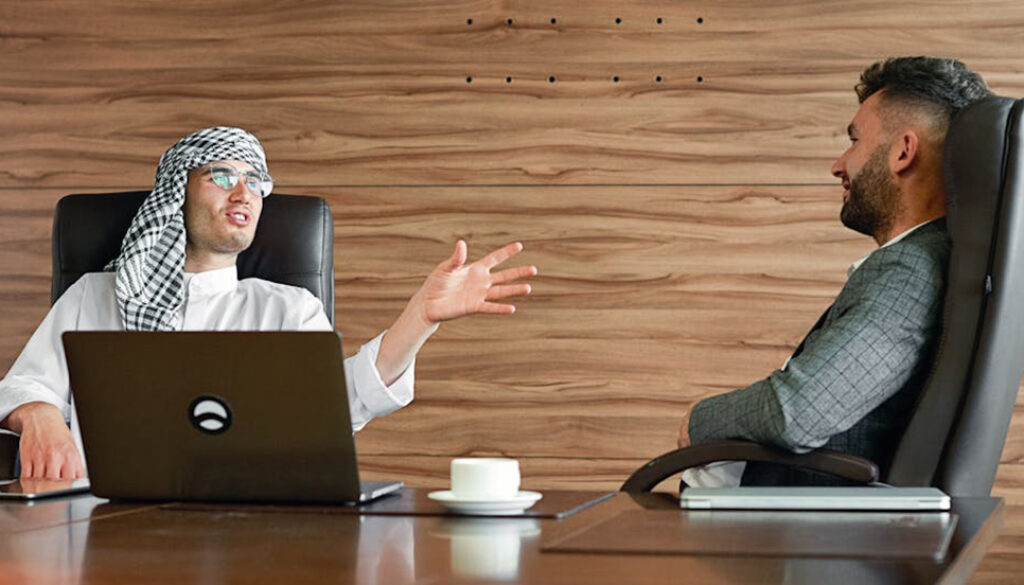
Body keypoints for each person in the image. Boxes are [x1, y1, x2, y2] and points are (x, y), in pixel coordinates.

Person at [0, 127, 536, 480]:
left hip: (249, 529)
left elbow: (338, 404)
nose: (244, 194)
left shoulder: (287, 309)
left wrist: (420, 317)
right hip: (98, 527)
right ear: (175, 195)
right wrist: (42, 414)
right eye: (223, 176)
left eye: (255, 182)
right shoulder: (93, 295)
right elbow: (23, 386)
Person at [676, 57, 992, 486]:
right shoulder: (933, 257)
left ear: (903, 152)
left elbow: (799, 412)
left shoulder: (910, 270)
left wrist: (699, 419)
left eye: (854, 140)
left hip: (768, 533)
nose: (838, 164)